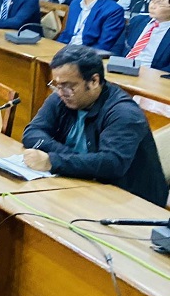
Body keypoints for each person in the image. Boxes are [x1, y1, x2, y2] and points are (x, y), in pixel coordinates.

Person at [22, 45, 168, 206]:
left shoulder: (124, 113)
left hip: (131, 201)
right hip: (81, 184)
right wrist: (71, 158)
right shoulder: (61, 98)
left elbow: (111, 164)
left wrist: (53, 161)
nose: (61, 92)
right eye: (57, 85)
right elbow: (32, 133)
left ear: (94, 81)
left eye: (69, 86)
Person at [56, 0, 125, 51]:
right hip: (65, 49)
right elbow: (66, 33)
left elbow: (104, 44)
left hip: (87, 53)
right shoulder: (75, 3)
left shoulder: (113, 10)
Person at [115, 0, 170, 70]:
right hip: (122, 66)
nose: (152, 6)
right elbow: (118, 46)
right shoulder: (138, 20)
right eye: (152, 1)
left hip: (152, 73)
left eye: (160, 4)